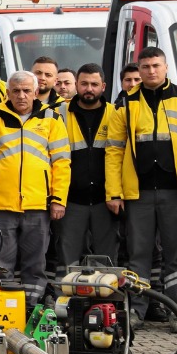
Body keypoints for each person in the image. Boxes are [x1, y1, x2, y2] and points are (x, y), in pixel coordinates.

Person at [107, 45, 177, 314]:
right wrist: (114, 192)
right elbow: (113, 151)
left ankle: (175, 311)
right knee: (139, 255)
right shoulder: (125, 103)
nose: (151, 71)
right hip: (139, 192)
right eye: (145, 67)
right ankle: (137, 310)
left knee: (176, 255)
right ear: (139, 69)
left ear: (166, 67)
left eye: (156, 65)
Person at [0, 72, 70, 304]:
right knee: (1, 261)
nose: (21, 95)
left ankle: (30, 306)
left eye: (27, 90)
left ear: (36, 92)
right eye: (16, 91)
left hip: (38, 204)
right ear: (7, 93)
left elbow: (61, 162)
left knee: (35, 263)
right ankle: (2, 309)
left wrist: (58, 199)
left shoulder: (52, 118)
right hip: (2, 204)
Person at [58, 64, 119, 268]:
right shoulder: (58, 114)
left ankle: (105, 299)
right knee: (68, 259)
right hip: (71, 200)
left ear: (103, 86)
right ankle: (67, 299)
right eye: (84, 84)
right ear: (76, 85)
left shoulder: (116, 113)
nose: (89, 89)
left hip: (105, 201)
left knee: (106, 260)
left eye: (94, 84)